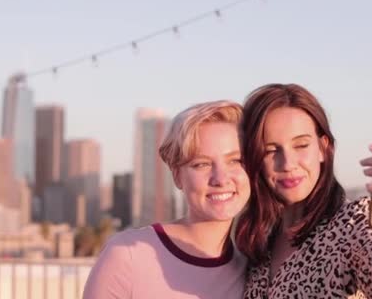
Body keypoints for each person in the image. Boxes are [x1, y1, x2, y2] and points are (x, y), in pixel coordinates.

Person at [235, 83, 372, 298]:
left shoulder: (352, 223)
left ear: (324, 148)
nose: (287, 163)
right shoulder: (259, 243)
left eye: (301, 145)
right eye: (271, 150)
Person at [83, 100, 251, 299]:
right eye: (201, 164)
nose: (221, 179)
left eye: (236, 160)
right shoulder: (128, 255)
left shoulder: (252, 269)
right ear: (177, 176)